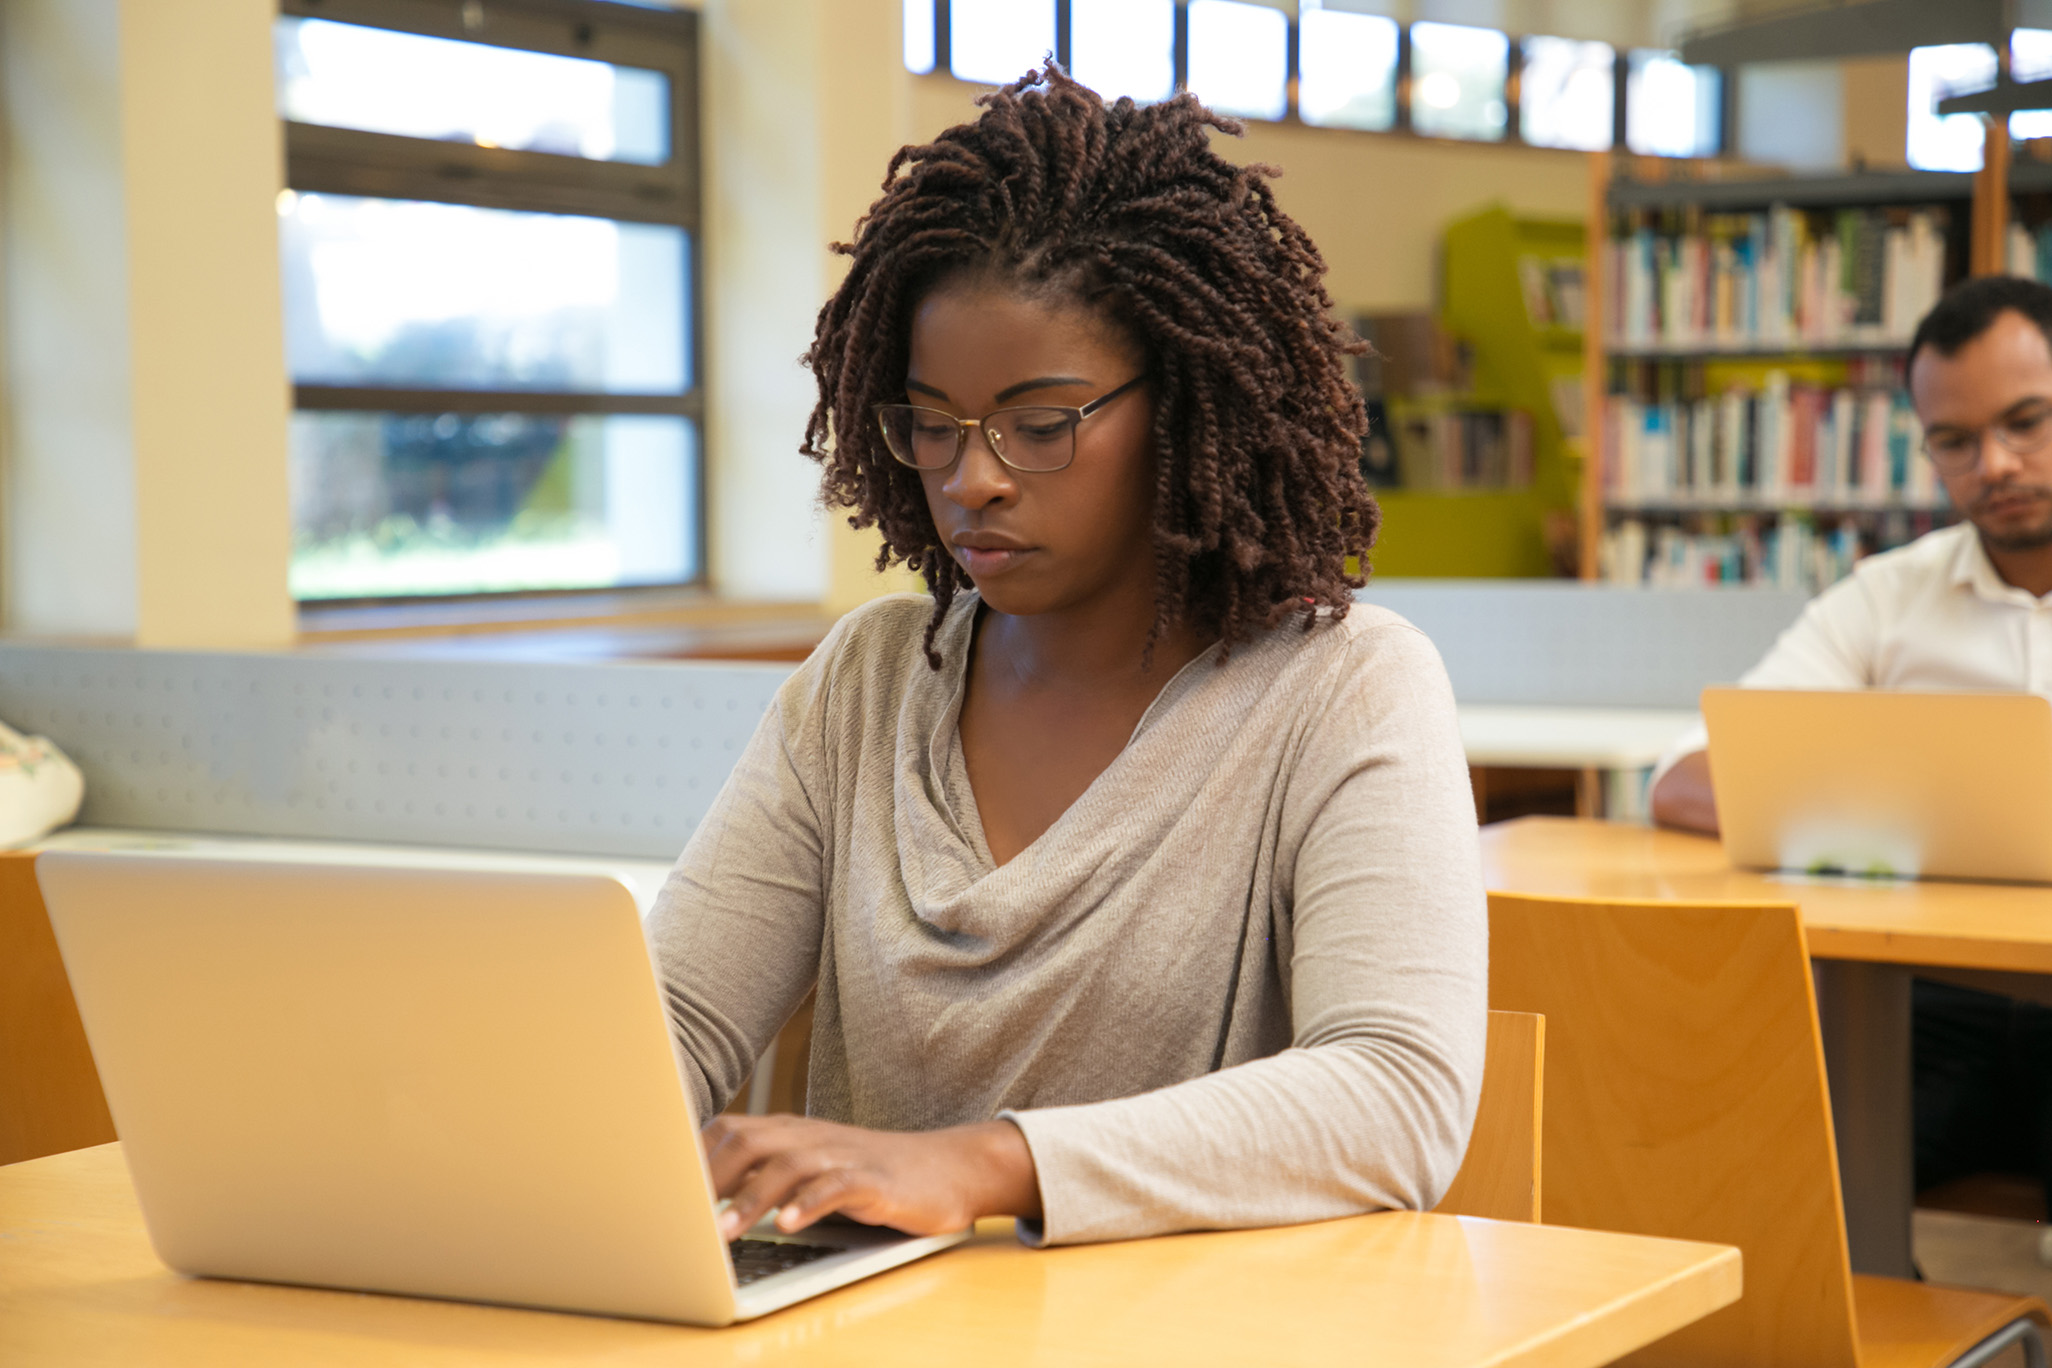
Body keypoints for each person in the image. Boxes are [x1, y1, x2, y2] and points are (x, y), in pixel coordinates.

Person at [645, 66, 1487, 1249]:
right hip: (880, 1336)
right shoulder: (867, 683)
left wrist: (987, 1166)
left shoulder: (1346, 686)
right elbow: (668, 1021)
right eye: (931, 426)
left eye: (1040, 426)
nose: (970, 477)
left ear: (1189, 407)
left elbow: (1397, 1097)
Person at [1648, 273, 2052, 1211]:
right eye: (1955, 440)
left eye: (2028, 422)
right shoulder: (1888, 597)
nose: (1993, 464)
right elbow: (1682, 774)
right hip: (1926, 1005)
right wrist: (1910, 820)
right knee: (1774, 1176)